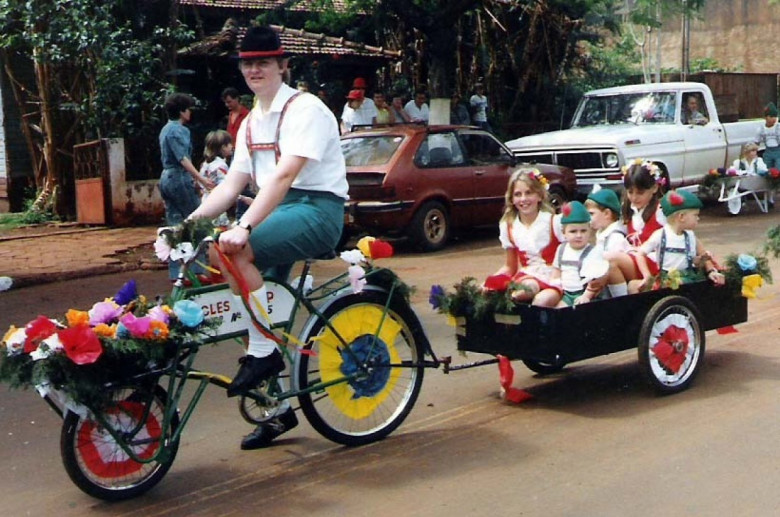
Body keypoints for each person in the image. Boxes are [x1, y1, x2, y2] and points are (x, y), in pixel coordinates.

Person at [188, 26, 348, 450]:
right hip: (275, 210)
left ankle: (264, 352)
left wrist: (244, 227)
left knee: (230, 249)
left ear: (282, 65)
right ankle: (277, 409)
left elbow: (284, 176)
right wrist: (187, 223)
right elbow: (229, 185)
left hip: (316, 209)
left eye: (263, 61)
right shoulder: (249, 122)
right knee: (247, 301)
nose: (254, 69)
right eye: (247, 62)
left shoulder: (305, 108)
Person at [485, 168, 564, 307]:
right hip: (529, 276)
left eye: (529, 193)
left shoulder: (553, 222)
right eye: (517, 194)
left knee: (541, 301)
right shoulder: (509, 226)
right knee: (523, 290)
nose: (523, 199)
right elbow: (510, 267)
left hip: (555, 277)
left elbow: (570, 256)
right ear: (511, 199)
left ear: (539, 196)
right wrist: (491, 282)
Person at [158, 93, 215, 280]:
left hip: (166, 177)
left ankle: (178, 272)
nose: (190, 113)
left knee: (175, 226)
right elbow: (183, 159)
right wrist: (201, 179)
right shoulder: (180, 131)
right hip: (179, 177)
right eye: (188, 109)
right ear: (182, 111)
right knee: (196, 223)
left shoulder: (165, 129)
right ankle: (198, 271)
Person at [634, 189, 725, 288]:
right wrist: (647, 275)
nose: (698, 219)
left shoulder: (691, 236)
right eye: (695, 215)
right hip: (668, 281)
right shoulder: (661, 235)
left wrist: (710, 271)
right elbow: (640, 254)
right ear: (681, 217)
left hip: (690, 277)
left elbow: (704, 256)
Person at [551, 201, 609, 307]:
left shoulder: (593, 251)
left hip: (587, 294)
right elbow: (556, 271)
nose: (579, 235)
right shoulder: (561, 249)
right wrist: (555, 287)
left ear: (589, 231)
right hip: (567, 294)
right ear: (564, 233)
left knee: (581, 312)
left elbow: (595, 280)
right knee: (559, 311)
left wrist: (586, 296)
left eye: (583, 231)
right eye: (573, 231)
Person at [620, 160, 666, 293]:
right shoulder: (628, 209)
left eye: (640, 193)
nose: (634, 197)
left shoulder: (660, 211)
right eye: (630, 192)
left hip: (652, 262)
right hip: (636, 259)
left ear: (654, 188)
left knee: (612, 259)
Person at [584, 187, 631, 298]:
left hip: (616, 283)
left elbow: (613, 268)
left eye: (591, 214)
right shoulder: (600, 234)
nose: (588, 218)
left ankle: (621, 301)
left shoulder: (615, 237)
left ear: (607, 213)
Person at [199, 129, 233, 227]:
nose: (231, 146)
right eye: (229, 144)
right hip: (217, 204)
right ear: (223, 147)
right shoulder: (221, 165)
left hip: (205, 201)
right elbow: (226, 186)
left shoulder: (205, 164)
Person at [727, 142, 769, 215]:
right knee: (733, 187)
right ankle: (734, 205)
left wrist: (761, 172)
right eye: (751, 151)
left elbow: (764, 170)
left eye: (755, 151)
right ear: (746, 152)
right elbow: (732, 170)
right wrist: (732, 172)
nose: (754, 153)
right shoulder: (738, 162)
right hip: (742, 183)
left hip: (755, 183)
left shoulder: (758, 161)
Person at [754, 102, 779, 208]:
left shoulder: (778, 127)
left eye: (775, 116)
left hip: (778, 151)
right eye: (771, 116)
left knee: (777, 172)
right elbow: (756, 142)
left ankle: (775, 191)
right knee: (767, 173)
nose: (774, 119)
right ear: (766, 117)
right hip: (768, 151)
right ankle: (769, 198)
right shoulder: (761, 129)